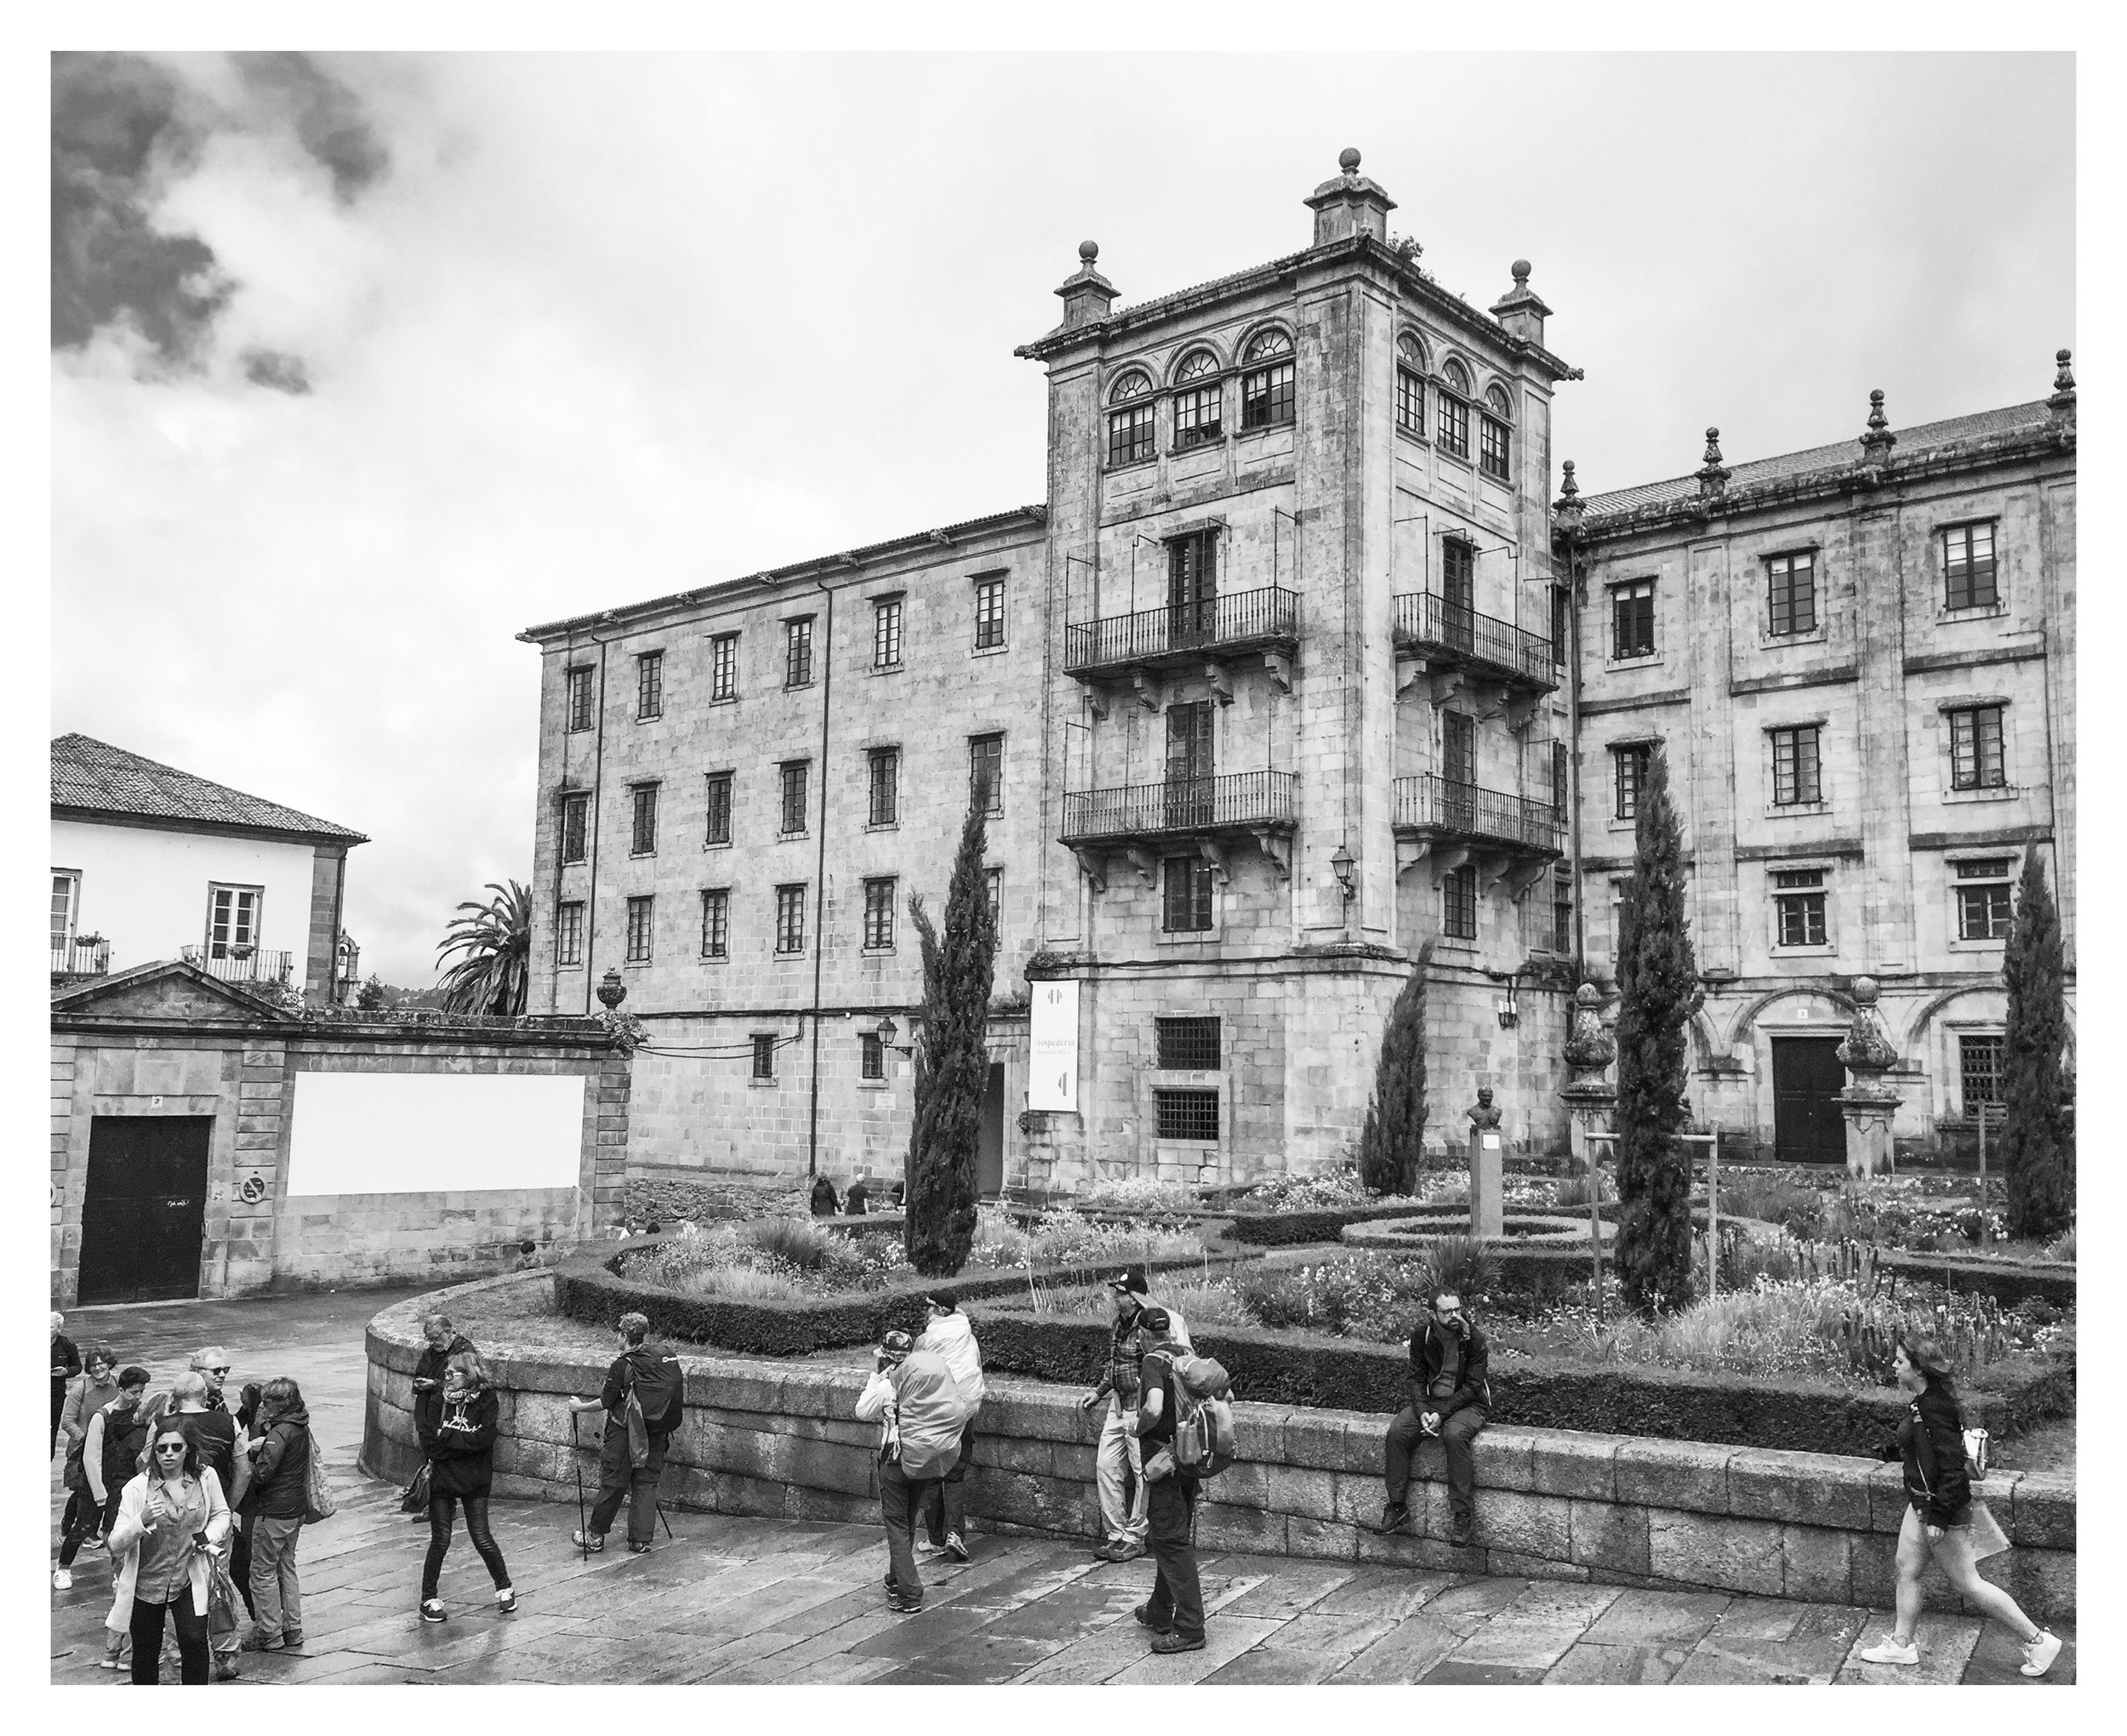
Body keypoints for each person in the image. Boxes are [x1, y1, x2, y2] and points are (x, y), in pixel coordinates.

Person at [1857, 1332, 2061, 1676]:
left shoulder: (1933, 1408)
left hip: (1939, 1507)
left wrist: (1937, 1515)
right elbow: (1926, 1455)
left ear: (1918, 1368)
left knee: (1968, 1581)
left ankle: (2038, 1640)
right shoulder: (1926, 1401)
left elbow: (1952, 1468)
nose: (1893, 1367)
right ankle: (1902, 1645)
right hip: (1921, 1502)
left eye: (1899, 1361)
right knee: (1907, 1568)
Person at [1079, 1267, 1192, 1562]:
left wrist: (1144, 1415)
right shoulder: (1119, 1323)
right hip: (1118, 1406)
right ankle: (1115, 1533)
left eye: (1119, 1292)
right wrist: (1100, 1391)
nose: (1114, 1296)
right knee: (1106, 1466)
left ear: (1133, 1297)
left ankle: (1134, 1537)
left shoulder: (1154, 1324)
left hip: (1139, 1409)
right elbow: (1115, 1363)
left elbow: (1175, 1362)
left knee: (1144, 1474)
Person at [106, 1418, 230, 1685]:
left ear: (188, 1448)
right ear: (155, 1451)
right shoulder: (137, 1489)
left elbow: (222, 1514)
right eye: (162, 1449)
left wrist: (208, 1536)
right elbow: (115, 1543)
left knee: (195, 1641)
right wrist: (141, 1520)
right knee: (146, 1651)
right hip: (146, 1582)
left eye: (176, 1447)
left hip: (188, 1576)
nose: (169, 1454)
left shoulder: (206, 1478)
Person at [853, 1328, 967, 1614]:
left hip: (893, 1460)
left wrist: (874, 1378)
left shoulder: (886, 1385)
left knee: (896, 1526)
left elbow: (862, 1411)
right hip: (922, 1460)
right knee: (907, 1520)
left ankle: (909, 1593)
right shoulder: (924, 1382)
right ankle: (895, 1579)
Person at [1376, 1286, 1489, 1546]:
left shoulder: (1474, 1339)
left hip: (1470, 1404)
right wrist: (1424, 1411)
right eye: (1447, 1311)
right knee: (1397, 1432)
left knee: (1454, 1435)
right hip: (1433, 1402)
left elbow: (1473, 1386)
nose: (1454, 1316)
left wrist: (1439, 1413)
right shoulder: (1422, 1335)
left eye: (1457, 1309)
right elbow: (1415, 1378)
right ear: (1433, 1313)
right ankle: (1397, 1506)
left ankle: (1462, 1515)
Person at [567, 1312, 684, 1554]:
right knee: (646, 1484)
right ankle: (641, 1541)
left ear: (624, 1336)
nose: (615, 1338)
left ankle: (595, 1537)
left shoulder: (623, 1365)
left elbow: (607, 1401)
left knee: (613, 1482)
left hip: (625, 1434)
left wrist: (579, 1407)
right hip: (656, 1432)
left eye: (617, 1333)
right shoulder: (659, 1357)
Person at [1127, 1306, 1204, 1654]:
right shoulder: (1188, 1355)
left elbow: (1154, 1407)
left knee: (1171, 1541)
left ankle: (1190, 1628)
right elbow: (1225, 1396)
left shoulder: (1152, 1362)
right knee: (1169, 1537)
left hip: (1164, 1462)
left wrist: (1138, 1427)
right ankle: (1159, 1610)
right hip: (1190, 1459)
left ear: (1143, 1335)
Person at [419, 1349, 516, 1623]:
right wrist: (458, 1441)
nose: (446, 1379)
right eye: (445, 1374)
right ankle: (428, 1598)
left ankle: (505, 1588)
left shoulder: (486, 1400)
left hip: (474, 1479)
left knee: (482, 1537)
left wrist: (447, 1438)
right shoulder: (438, 1398)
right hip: (442, 1479)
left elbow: (484, 1439)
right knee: (440, 1539)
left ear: (469, 1376)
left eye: (452, 1374)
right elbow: (428, 1439)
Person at [237, 1376, 312, 1653]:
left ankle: (269, 1632)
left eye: (268, 1402)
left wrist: (251, 1456)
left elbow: (263, 1473)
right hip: (296, 1509)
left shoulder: (280, 1432)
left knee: (261, 1571)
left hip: (274, 1511)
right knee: (287, 1566)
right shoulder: (300, 1426)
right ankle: (293, 1628)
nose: (264, 1406)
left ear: (280, 1404)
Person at [83, 1367, 152, 1670]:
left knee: (128, 1577)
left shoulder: (143, 1417)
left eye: (141, 1392)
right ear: (122, 1390)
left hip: (131, 1493)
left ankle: (118, 1649)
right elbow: (91, 1456)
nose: (138, 1397)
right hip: (114, 1494)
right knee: (123, 1575)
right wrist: (100, 1496)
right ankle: (120, 1649)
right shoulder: (103, 1416)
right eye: (134, 1392)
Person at [915, 1290, 984, 1562]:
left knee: (931, 1476)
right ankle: (955, 1535)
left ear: (942, 1311)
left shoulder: (927, 1340)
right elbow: (976, 1371)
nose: (926, 1312)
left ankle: (936, 1539)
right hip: (964, 1413)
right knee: (954, 1475)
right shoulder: (968, 1338)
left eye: (930, 1308)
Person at [54, 1344, 120, 1586]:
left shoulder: (117, 1387)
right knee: (81, 1490)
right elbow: (67, 1421)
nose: (98, 1367)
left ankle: (90, 1532)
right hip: (84, 1451)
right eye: (93, 1364)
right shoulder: (81, 1389)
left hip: (111, 1454)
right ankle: (68, 1531)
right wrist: (89, 1439)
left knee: (94, 1500)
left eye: (102, 1363)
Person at [411, 1313, 476, 1521]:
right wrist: (419, 1383)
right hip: (428, 1412)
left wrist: (434, 1384)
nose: (433, 1342)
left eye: (436, 1337)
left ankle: (446, 1507)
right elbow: (420, 1372)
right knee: (430, 1458)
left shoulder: (463, 1350)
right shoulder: (431, 1352)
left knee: (445, 1460)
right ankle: (436, 1505)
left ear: (449, 1332)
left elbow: (466, 1381)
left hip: (450, 1414)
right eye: (429, 1338)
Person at [51, 1312, 82, 1450]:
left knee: (51, 1431)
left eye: (50, 1327)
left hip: (55, 1394)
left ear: (59, 1328)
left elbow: (77, 1366)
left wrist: (66, 1372)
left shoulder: (66, 1344)